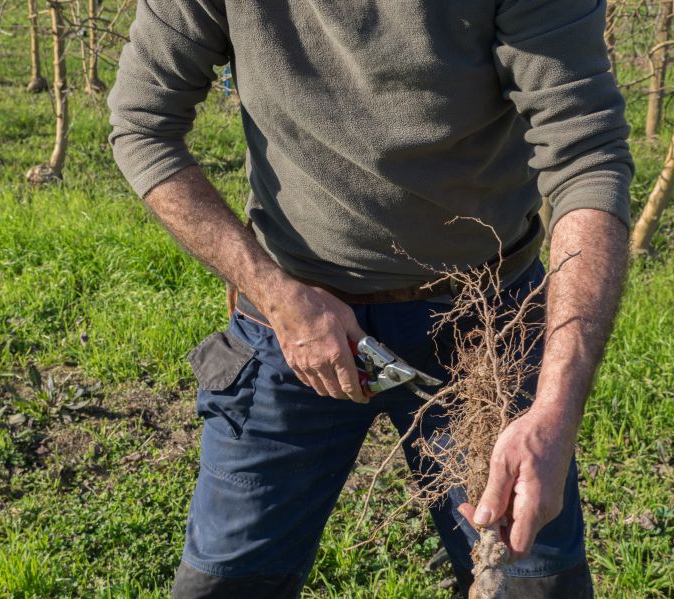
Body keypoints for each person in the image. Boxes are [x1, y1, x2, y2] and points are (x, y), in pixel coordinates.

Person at [108, 1, 632, 596]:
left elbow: (587, 157)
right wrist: (276, 296)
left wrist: (555, 414)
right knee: (225, 584)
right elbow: (142, 122)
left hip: (484, 322)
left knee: (532, 582)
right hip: (293, 319)